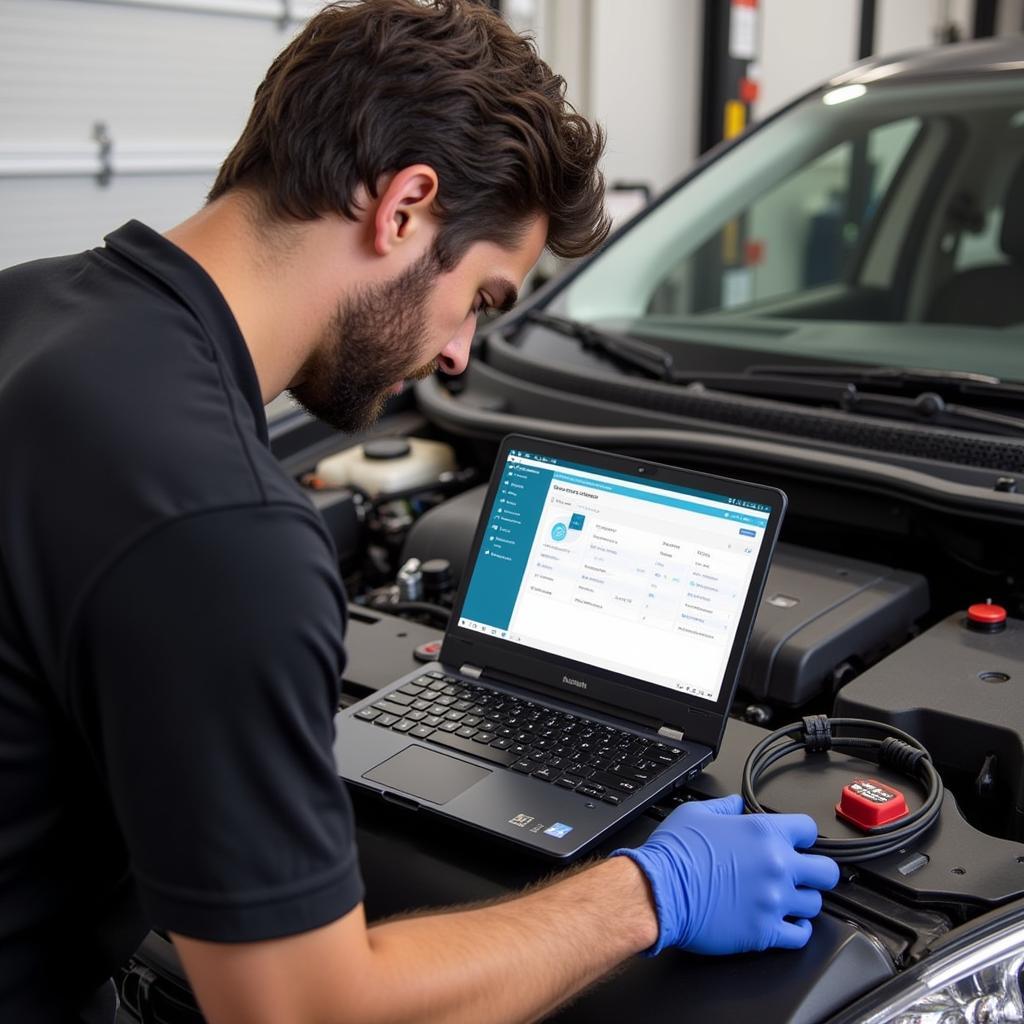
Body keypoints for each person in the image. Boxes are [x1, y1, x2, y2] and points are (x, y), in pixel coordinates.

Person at [0, 1, 839, 1021]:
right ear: (403, 207)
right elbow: (303, 1014)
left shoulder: (31, 306)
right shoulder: (223, 528)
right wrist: (646, 892)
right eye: (484, 298)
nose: (456, 356)